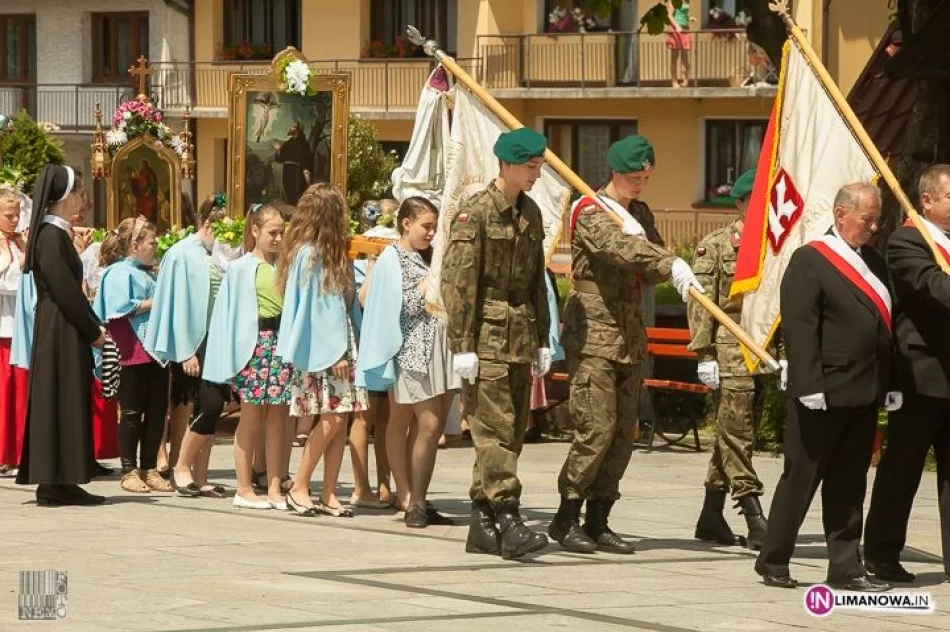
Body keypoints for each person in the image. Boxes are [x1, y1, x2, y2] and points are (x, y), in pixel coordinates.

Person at [549, 135, 702, 554]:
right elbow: (621, 251)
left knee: (621, 431)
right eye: (634, 177)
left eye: (647, 178)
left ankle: (600, 518)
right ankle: (567, 516)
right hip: (595, 334)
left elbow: (650, 267)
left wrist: (670, 264)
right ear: (615, 173)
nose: (640, 185)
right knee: (594, 427)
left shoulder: (638, 214)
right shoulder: (591, 211)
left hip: (630, 334)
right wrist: (665, 260)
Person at [755, 183, 899, 591]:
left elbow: (887, 329)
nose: (873, 227)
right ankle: (774, 559)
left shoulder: (874, 260)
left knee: (851, 484)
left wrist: (890, 382)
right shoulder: (811, 260)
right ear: (840, 214)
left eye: (876, 219)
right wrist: (808, 383)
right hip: (822, 392)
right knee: (801, 478)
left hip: (865, 390)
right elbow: (801, 328)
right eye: (866, 219)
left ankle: (845, 567)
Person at [440, 127, 553, 559]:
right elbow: (458, 283)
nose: (536, 175)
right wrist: (462, 343)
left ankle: (482, 524)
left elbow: (537, 283)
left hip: (520, 334)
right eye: (530, 167)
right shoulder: (475, 214)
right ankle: (508, 516)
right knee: (493, 431)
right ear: (505, 165)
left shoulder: (532, 215)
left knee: (510, 432)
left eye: (539, 166)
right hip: (485, 337)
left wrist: (543, 337)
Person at [864, 164, 950, 584]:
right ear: (928, 200)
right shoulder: (907, 240)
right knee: (903, 468)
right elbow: (935, 288)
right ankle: (881, 553)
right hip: (921, 373)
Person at [357, 196, 459, 528]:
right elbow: (393, 306)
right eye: (426, 226)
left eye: (433, 227)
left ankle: (415, 495)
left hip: (439, 349)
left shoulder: (428, 255)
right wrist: (425, 287)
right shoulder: (392, 257)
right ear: (406, 223)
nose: (431, 233)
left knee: (416, 425)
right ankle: (410, 497)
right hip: (411, 351)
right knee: (423, 425)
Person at [688, 169, 770, 549]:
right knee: (736, 434)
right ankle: (756, 518)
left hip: (763, 349)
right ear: (739, 204)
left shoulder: (774, 247)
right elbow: (702, 303)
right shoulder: (717, 245)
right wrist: (704, 352)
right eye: (753, 201)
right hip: (730, 347)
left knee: (737, 433)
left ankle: (710, 516)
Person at [16, 164, 107, 506]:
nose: (84, 201)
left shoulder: (54, 234)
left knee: (65, 398)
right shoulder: (50, 236)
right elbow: (65, 291)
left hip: (62, 325)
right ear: (65, 198)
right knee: (59, 398)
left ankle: (63, 478)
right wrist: (92, 330)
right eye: (81, 195)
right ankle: (54, 481)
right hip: (59, 327)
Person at [277, 183, 365, 518]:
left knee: (339, 421)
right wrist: (338, 353)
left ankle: (329, 493)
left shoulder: (324, 252)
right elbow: (320, 308)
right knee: (333, 417)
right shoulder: (312, 254)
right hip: (330, 348)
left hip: (337, 344)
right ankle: (300, 486)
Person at [204, 204, 293, 510]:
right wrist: (227, 361)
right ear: (255, 230)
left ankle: (274, 485)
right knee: (252, 415)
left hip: (281, 344)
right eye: (272, 232)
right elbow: (227, 317)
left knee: (279, 415)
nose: (278, 238)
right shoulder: (241, 269)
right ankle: (243, 487)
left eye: (282, 232)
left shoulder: (285, 265)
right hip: (254, 346)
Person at [145, 194, 229, 498]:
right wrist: (185, 351)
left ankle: (201, 475)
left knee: (214, 408)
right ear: (207, 224)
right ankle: (182, 466)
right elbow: (176, 305)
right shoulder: (182, 254)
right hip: (192, 342)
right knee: (205, 406)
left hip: (217, 340)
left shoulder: (220, 254)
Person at [94, 217, 171, 493]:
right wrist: (156, 302)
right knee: (131, 411)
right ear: (136, 245)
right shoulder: (118, 272)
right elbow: (119, 307)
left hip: (156, 350)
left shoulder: (149, 271)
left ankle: (148, 467)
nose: (155, 246)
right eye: (151, 242)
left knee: (157, 411)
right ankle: (128, 469)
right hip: (132, 349)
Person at [0, 187, 28, 477]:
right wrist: (21, 264)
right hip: (3, 327)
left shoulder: (20, 241)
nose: (14, 220)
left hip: (21, 325)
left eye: (17, 214)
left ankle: (20, 451)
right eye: (8, 215)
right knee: (4, 394)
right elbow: (5, 283)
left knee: (21, 393)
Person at [665, 1, 695, 88]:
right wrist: (677, 26)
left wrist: (689, 18)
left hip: (685, 30)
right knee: (674, 57)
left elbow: (683, 14)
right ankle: (674, 81)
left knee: (685, 57)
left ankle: (685, 80)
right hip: (675, 30)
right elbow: (669, 15)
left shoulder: (687, 1)